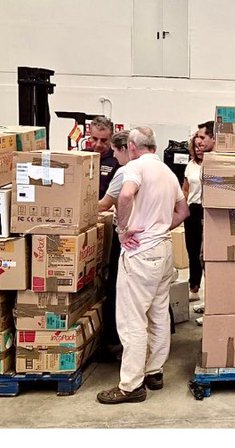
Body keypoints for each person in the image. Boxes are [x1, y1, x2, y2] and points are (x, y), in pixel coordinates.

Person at [97, 126, 187, 405]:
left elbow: (124, 196)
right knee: (159, 313)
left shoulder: (135, 167)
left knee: (132, 319)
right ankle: (154, 372)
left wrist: (123, 229)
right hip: (163, 250)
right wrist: (158, 228)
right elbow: (183, 211)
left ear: (133, 147)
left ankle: (131, 385)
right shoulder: (168, 173)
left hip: (141, 254)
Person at [98, 130, 131, 361]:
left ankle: (115, 343)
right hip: (150, 241)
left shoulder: (124, 172)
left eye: (114, 150)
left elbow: (104, 204)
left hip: (128, 240)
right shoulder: (158, 170)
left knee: (118, 290)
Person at [183, 129, 208, 298]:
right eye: (196, 146)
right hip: (192, 209)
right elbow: (185, 189)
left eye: (201, 145)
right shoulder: (190, 165)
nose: (198, 149)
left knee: (204, 252)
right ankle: (194, 287)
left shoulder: (212, 164)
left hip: (206, 210)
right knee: (192, 249)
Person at [85, 115, 119, 199]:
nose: (98, 144)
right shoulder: (82, 157)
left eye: (103, 140)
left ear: (111, 138)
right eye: (95, 139)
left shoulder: (118, 160)